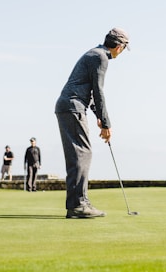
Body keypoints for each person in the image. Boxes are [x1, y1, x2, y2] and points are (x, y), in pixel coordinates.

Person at [55, 27, 130, 219]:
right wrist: (106, 124)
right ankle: (78, 204)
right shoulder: (101, 57)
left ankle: (78, 202)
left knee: (79, 154)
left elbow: (88, 91)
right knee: (82, 154)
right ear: (119, 47)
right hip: (73, 107)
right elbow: (98, 91)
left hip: (70, 106)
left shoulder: (94, 53)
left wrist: (98, 114)